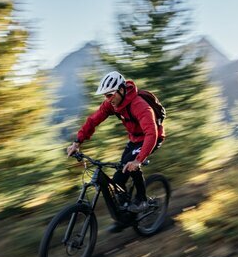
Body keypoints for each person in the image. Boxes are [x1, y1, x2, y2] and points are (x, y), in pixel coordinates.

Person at [66, 71, 165, 228]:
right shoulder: (112, 104)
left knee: (131, 164)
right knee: (118, 180)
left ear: (121, 90)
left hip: (152, 138)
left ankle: (142, 200)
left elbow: (151, 133)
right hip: (134, 139)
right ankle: (125, 217)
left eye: (110, 95)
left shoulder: (140, 106)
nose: (108, 99)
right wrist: (77, 142)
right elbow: (93, 120)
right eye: (105, 96)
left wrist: (138, 160)